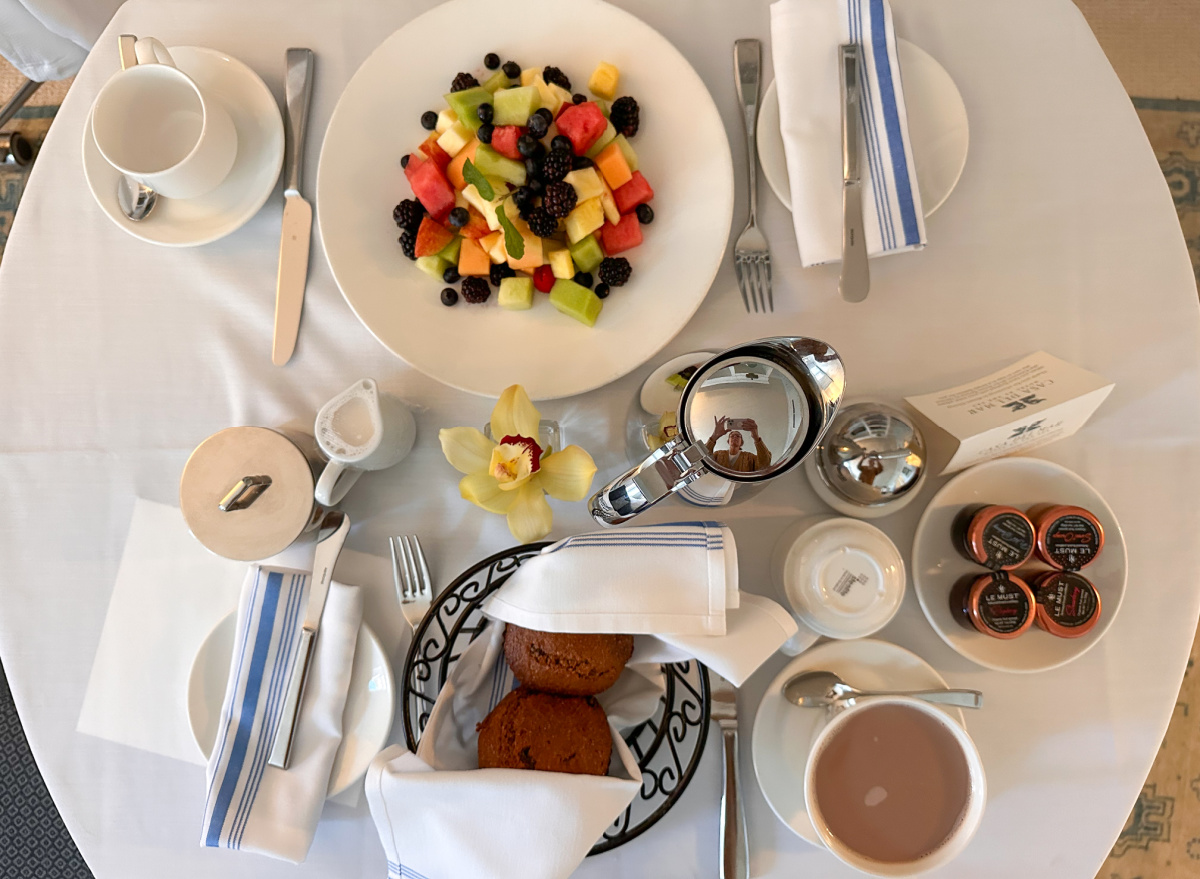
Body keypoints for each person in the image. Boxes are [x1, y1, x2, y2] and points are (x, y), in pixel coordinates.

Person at [706, 416, 772, 472]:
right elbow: (705, 460)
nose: (735, 437)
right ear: (728, 441)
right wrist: (714, 436)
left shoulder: (749, 457)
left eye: (738, 436)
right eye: (732, 436)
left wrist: (756, 437)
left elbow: (765, 464)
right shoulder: (718, 454)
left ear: (741, 442)